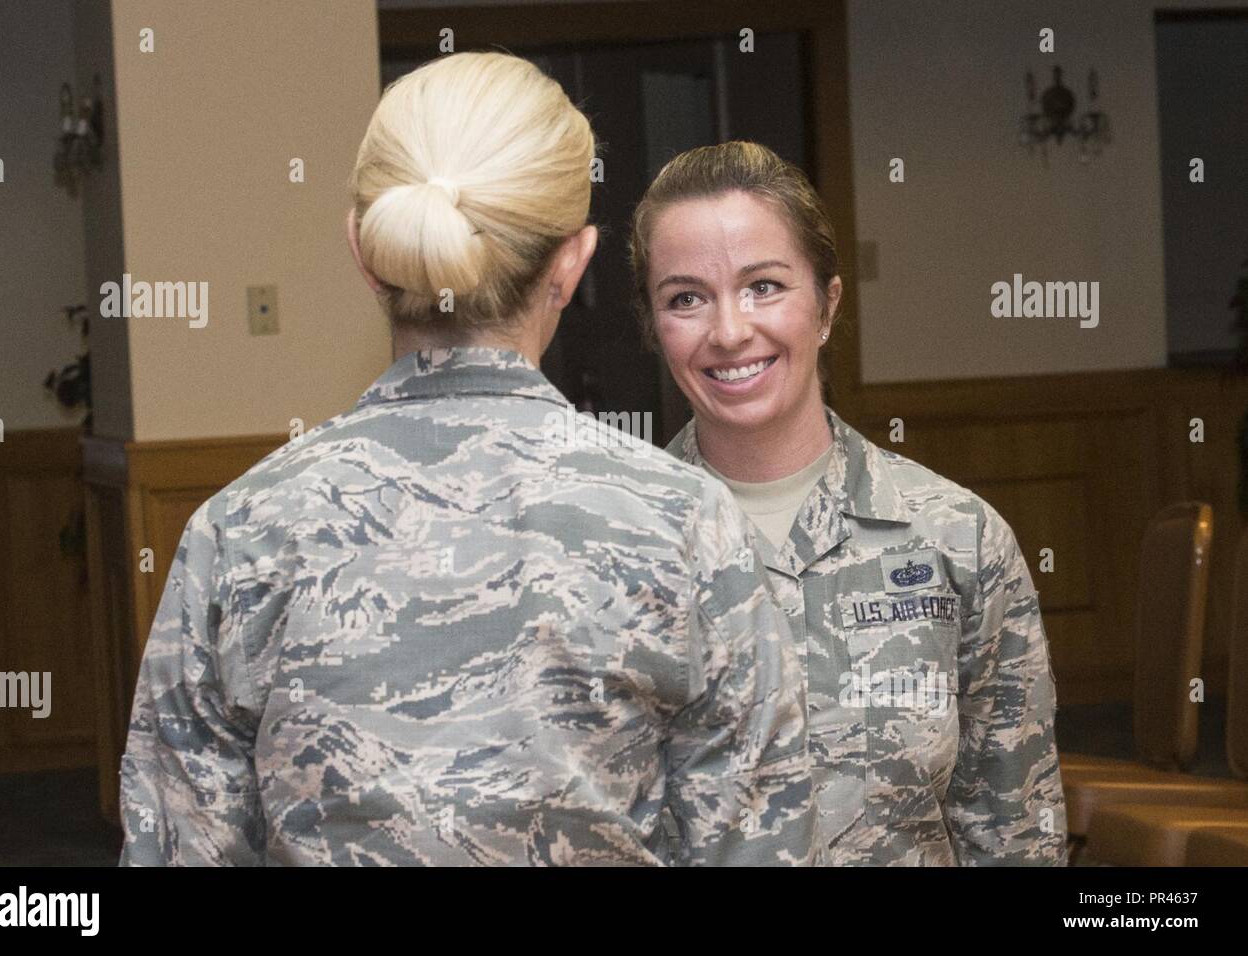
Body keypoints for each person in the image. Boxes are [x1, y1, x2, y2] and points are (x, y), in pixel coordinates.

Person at [118, 54, 818, 866]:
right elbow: (761, 846)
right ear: (572, 263)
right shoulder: (688, 524)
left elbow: (178, 851)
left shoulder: (238, 531)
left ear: (362, 249)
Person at [630, 141, 1067, 865]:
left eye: (764, 286)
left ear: (827, 305)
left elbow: (1016, 830)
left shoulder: (957, 541)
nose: (731, 330)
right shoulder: (614, 549)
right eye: (686, 298)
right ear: (655, 329)